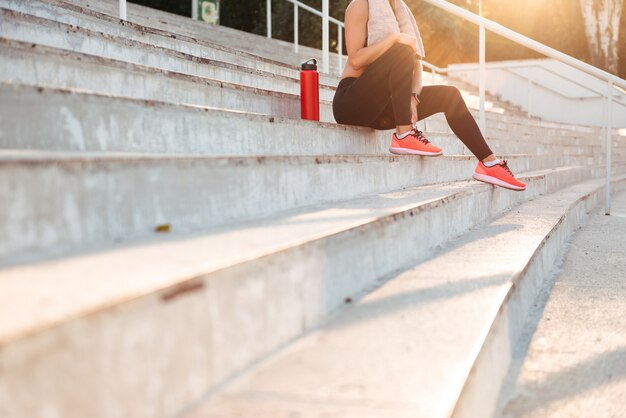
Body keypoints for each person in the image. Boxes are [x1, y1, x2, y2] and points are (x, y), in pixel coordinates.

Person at [332, 0, 526, 191]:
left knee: (449, 95)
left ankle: (489, 164)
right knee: (401, 49)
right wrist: (393, 39)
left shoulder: (401, 12)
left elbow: (415, 63)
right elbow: (356, 60)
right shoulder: (361, 5)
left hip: (379, 108)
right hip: (351, 102)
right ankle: (405, 133)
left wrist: (413, 98)